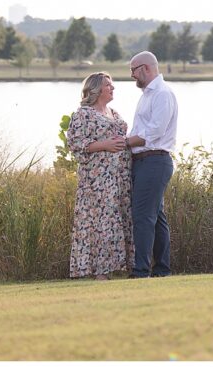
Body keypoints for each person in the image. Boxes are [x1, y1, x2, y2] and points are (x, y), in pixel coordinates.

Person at [66, 72, 145, 280]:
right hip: (97, 180)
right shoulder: (84, 114)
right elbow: (75, 144)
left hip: (120, 178)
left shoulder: (114, 113)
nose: (113, 88)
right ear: (96, 89)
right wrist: (105, 145)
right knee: (101, 222)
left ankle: (122, 267)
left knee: (118, 220)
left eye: (112, 85)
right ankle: (101, 273)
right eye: (108, 85)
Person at [125, 51, 178, 278]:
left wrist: (125, 143)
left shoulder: (162, 94)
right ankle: (162, 269)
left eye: (133, 70)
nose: (131, 75)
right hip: (144, 161)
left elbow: (154, 131)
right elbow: (141, 129)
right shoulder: (147, 94)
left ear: (145, 68)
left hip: (155, 160)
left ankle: (141, 271)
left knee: (143, 217)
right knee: (156, 218)